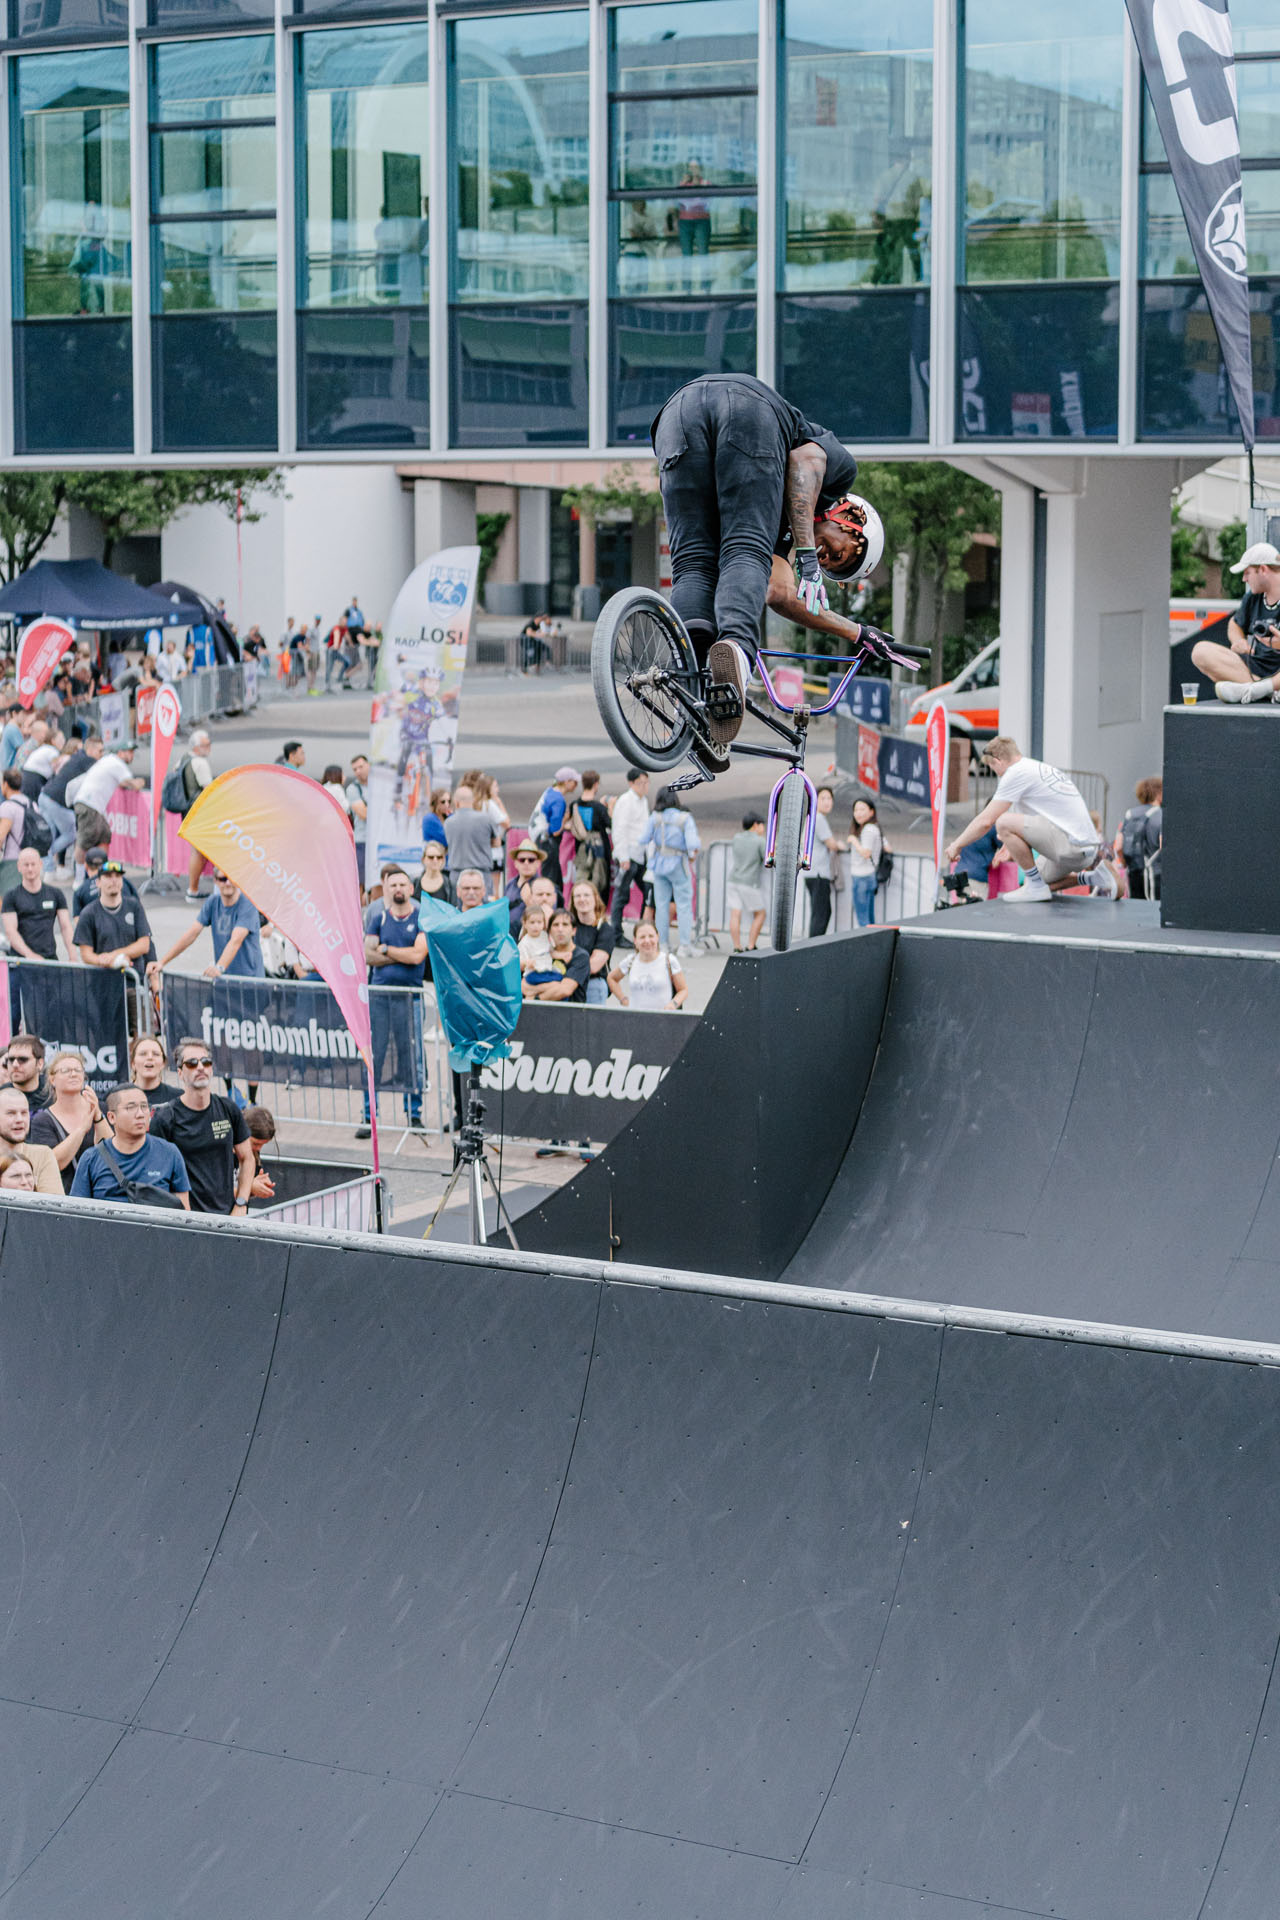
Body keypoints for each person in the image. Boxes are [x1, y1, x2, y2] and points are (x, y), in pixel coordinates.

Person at [650, 374, 885, 763]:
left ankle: (694, 679)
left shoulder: (783, 539)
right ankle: (739, 655)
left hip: (676, 416)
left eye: (831, 565)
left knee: (693, 563)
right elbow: (802, 462)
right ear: (852, 517)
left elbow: (778, 593)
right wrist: (807, 553)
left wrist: (856, 631)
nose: (826, 559)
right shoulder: (840, 473)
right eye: (841, 553)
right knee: (745, 548)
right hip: (749, 411)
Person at [944, 738, 1101, 905]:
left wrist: (957, 845)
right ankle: (1092, 877)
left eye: (995, 770)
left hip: (1071, 844)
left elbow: (986, 821)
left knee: (1002, 820)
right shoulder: (1037, 770)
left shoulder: (1016, 772)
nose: (999, 777)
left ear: (998, 760)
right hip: (1085, 850)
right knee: (1035, 881)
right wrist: (1008, 846)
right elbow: (1027, 827)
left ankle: (1035, 887)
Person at [149, 1037, 253, 1215]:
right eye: (191, 1063)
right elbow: (154, 1173)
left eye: (206, 1062)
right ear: (180, 1072)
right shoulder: (165, 1118)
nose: (200, 1067)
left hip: (229, 1218)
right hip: (186, 1221)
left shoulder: (228, 1108)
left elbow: (247, 1158)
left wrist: (241, 1203)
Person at [360, 865, 427, 1139]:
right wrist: (399, 953)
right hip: (380, 997)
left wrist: (385, 949)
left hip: (410, 997)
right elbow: (367, 955)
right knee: (374, 1056)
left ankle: (414, 1114)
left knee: (410, 1057)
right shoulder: (378, 917)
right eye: (393, 885)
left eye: (403, 885)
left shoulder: (421, 917)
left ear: (411, 889)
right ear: (386, 889)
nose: (398, 889)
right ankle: (369, 1115)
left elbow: (417, 957)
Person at [71, 1083, 191, 1207]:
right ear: (112, 1117)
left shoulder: (169, 1153)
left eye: (144, 1106)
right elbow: (76, 1214)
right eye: (130, 1108)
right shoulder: (91, 1159)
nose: (140, 1114)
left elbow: (184, 1214)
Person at [1192, 542, 1280, 702]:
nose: (1244, 579)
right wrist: (1238, 640)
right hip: (1254, 667)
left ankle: (1258, 689)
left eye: (1247, 573)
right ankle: (1263, 689)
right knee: (1200, 651)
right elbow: (1234, 623)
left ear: (1263, 570)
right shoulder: (1254, 597)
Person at [149, 868, 265, 985]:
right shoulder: (213, 902)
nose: (228, 883)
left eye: (231, 879)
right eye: (223, 879)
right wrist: (162, 962)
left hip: (250, 981)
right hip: (225, 980)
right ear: (216, 881)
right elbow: (191, 934)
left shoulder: (247, 905)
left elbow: (236, 941)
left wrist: (219, 968)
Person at [28, 1050, 107, 1193]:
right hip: (66, 1196)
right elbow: (53, 1163)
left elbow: (112, 1152)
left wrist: (98, 1116)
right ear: (52, 1079)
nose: (73, 1074)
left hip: (101, 1192)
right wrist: (81, 1130)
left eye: (78, 1070)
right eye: (65, 1070)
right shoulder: (42, 1120)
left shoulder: (100, 1107)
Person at [638, 787, 700, 957]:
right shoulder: (684, 818)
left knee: (661, 905)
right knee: (684, 905)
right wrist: (692, 854)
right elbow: (693, 843)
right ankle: (684, 945)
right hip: (678, 863)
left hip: (659, 863)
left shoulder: (655, 818)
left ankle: (663, 943)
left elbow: (643, 838)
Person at [71, 743, 144, 876]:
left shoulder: (108, 760)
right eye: (128, 752)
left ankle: (100, 872)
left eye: (132, 752)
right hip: (90, 804)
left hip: (91, 804)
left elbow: (122, 782)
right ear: (120, 752)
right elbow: (134, 784)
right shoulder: (117, 764)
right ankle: (79, 878)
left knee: (105, 836)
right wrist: (142, 781)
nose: (131, 755)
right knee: (84, 841)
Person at [74, 860, 156, 967]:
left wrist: (115, 955)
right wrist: (102, 961)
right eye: (108, 876)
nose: (114, 880)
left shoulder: (134, 906)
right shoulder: (88, 913)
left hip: (133, 979)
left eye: (118, 876)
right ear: (98, 882)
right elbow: (85, 954)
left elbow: (144, 944)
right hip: (102, 979)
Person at [2, 847, 75, 961]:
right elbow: (11, 931)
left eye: (33, 864)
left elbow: (66, 927)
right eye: (26, 865)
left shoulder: (55, 894)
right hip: (20, 961)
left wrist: (73, 955)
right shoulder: (11, 896)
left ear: (41, 864)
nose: (30, 869)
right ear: (19, 867)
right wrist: (29, 955)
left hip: (49, 959)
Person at [608, 768, 653, 944]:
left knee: (647, 892)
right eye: (641, 783)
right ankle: (616, 934)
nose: (644, 787)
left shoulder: (643, 801)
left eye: (646, 783)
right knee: (622, 895)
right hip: (629, 855)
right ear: (631, 783)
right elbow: (619, 829)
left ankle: (641, 931)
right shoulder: (626, 801)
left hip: (641, 855)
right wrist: (623, 857)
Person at [608, 918, 688, 1010]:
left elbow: (683, 990)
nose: (647, 941)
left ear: (657, 937)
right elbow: (611, 978)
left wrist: (673, 1004)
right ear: (635, 940)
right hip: (636, 1018)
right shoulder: (630, 961)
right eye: (642, 937)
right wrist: (623, 1000)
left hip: (663, 1019)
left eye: (651, 936)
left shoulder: (669, 961)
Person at [174, 728, 215, 903]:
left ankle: (194, 889)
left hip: (187, 811)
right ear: (197, 747)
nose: (209, 747)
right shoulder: (200, 763)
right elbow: (209, 789)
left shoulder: (183, 759)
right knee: (200, 851)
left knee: (197, 851)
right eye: (206, 744)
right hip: (200, 811)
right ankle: (194, 889)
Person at [0, 1085, 63, 1193]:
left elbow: (53, 1206)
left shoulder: (43, 1155)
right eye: (11, 1113)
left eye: (24, 1113)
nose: (19, 1119)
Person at [524, 908, 589, 1002]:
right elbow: (523, 985)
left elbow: (564, 990)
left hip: (569, 1013)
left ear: (574, 930)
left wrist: (534, 999)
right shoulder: (543, 953)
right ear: (549, 931)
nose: (560, 929)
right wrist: (555, 985)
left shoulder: (581, 956)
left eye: (565, 924)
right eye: (555, 925)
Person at [1117, 777, 1163, 902]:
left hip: (1133, 871)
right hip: (1155, 874)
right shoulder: (1160, 814)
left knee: (1136, 911)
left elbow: (1118, 847)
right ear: (1159, 793)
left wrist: (1125, 863)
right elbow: (1162, 844)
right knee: (1154, 913)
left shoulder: (1130, 814)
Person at [570, 880, 615, 1005]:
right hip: (567, 981)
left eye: (586, 895)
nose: (582, 899)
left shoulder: (605, 929)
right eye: (577, 896)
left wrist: (567, 973)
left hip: (592, 983)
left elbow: (594, 966)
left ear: (595, 898)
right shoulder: (567, 925)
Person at [532, 767, 579, 885]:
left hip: (540, 838)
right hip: (548, 842)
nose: (576, 785)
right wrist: (565, 819)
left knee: (556, 879)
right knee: (551, 881)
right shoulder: (558, 800)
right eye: (575, 782)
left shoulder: (549, 792)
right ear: (567, 782)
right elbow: (556, 830)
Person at [727, 812, 766, 951]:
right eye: (762, 825)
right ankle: (751, 945)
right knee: (760, 913)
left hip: (733, 880)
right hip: (749, 882)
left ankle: (737, 946)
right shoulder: (759, 841)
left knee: (735, 913)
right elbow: (767, 857)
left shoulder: (737, 838)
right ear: (756, 825)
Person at [806, 785, 841, 937]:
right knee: (821, 914)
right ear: (815, 800)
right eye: (823, 798)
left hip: (813, 873)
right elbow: (831, 844)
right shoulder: (818, 818)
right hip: (819, 874)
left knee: (820, 912)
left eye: (829, 798)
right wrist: (839, 844)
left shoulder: (812, 817)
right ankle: (812, 949)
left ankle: (812, 947)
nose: (827, 802)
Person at [443, 783, 496, 883]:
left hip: (457, 876)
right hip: (482, 875)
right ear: (473, 801)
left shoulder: (448, 823)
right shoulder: (485, 819)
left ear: (456, 802)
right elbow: (496, 842)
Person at [572, 771, 612, 898]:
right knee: (598, 885)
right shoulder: (599, 808)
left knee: (581, 883)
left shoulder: (574, 805)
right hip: (599, 852)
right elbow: (611, 824)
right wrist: (610, 807)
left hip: (581, 852)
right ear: (596, 785)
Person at [73, 844, 140, 916]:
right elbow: (138, 910)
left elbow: (79, 923)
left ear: (85, 865)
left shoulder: (80, 891)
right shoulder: (126, 882)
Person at [848, 798, 883, 927]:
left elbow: (866, 853)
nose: (858, 813)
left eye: (862, 809)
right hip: (868, 875)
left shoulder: (868, 829)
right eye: (856, 810)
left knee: (863, 920)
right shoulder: (874, 828)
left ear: (871, 812)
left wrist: (853, 840)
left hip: (862, 877)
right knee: (869, 918)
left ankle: (867, 946)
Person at [129, 1033, 183, 1109]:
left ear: (163, 1063)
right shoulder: (118, 1097)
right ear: (133, 1063)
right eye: (143, 1054)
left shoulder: (179, 1097)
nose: (150, 1057)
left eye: (156, 1054)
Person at [504, 837, 543, 935]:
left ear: (538, 863)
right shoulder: (509, 885)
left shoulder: (543, 886)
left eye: (531, 860)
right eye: (522, 860)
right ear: (516, 863)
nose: (526, 863)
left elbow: (547, 917)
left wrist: (530, 904)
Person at [4, 1035, 53, 1112]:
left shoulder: (53, 1094)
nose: (15, 1064)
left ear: (40, 1064)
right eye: (11, 1059)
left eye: (23, 1059)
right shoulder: (2, 1096)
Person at [345, 755, 369, 893]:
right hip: (362, 841)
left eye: (361, 767)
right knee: (360, 883)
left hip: (379, 840)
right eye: (355, 769)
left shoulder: (378, 785)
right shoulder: (353, 789)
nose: (358, 771)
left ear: (368, 765)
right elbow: (363, 814)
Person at [518, 904, 555, 992]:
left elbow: (552, 950)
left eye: (539, 922)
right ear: (525, 923)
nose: (536, 926)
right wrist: (527, 963)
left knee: (559, 978)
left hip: (547, 971)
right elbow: (519, 962)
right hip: (533, 974)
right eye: (532, 922)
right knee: (552, 985)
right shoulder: (525, 942)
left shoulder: (545, 936)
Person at [244, 1104, 278, 1201]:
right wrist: (249, 1187)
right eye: (255, 1143)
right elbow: (215, 1191)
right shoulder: (223, 1151)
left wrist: (257, 1186)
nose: (258, 1148)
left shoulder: (253, 1154)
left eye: (263, 1144)